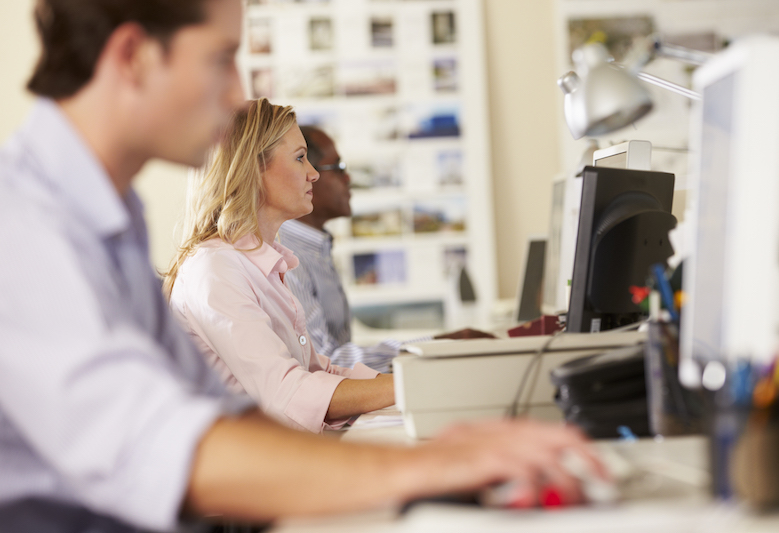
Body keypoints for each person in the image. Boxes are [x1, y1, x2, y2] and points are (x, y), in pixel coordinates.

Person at [0, 0, 605, 530]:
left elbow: (225, 416)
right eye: (221, 57)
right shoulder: (25, 230)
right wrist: (436, 463)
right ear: (133, 54)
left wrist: (451, 438)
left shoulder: (109, 220)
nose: (237, 94)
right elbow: (164, 449)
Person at [164, 99, 394, 433]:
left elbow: (318, 373)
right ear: (252, 168)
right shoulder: (215, 269)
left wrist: (409, 382)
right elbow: (287, 394)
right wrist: (406, 387)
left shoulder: (261, 262)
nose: (313, 173)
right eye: (300, 159)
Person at [279, 125, 493, 373]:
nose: (348, 178)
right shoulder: (288, 257)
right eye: (337, 168)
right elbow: (325, 361)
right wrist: (433, 347)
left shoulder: (316, 248)